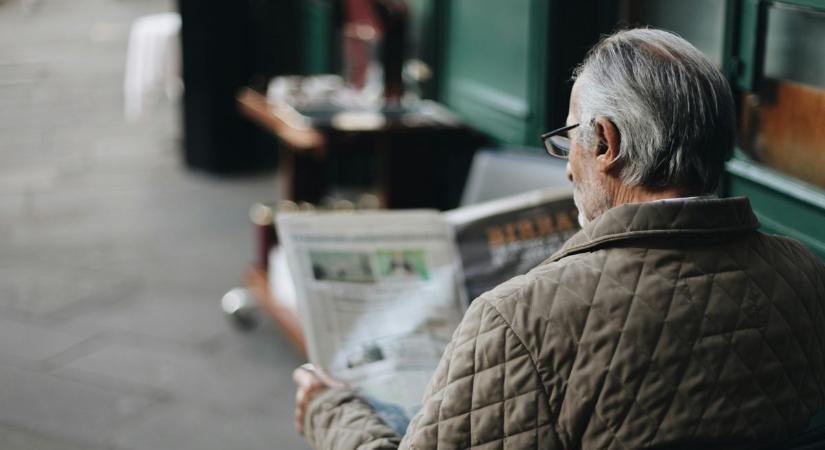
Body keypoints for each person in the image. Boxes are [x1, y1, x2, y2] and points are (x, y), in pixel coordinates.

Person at [292, 28, 825, 450]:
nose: (568, 169)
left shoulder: (521, 320)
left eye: (569, 135)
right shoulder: (806, 274)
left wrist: (332, 414)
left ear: (606, 143)